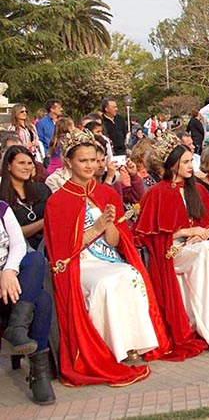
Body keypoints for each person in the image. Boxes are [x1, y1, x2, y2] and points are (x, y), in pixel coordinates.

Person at [44, 128, 169, 386]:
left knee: (130, 273)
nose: (90, 165)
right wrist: (97, 226)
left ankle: (133, 343)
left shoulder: (106, 193)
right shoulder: (57, 201)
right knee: (107, 283)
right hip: (80, 264)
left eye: (93, 160)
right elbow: (64, 251)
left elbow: (115, 242)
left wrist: (109, 225)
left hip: (107, 258)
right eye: (83, 160)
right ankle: (109, 348)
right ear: (69, 162)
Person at [135, 138, 209, 355]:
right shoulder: (157, 193)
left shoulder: (199, 190)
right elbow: (148, 235)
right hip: (171, 251)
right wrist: (187, 232)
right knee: (208, 252)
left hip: (198, 249)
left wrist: (205, 232)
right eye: (185, 162)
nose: (190, 166)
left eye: (190, 161)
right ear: (172, 164)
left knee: (208, 250)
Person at [0, 197, 55, 404]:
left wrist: (9, 271)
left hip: (11, 283)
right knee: (41, 299)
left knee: (35, 260)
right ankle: (38, 373)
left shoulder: (2, 209)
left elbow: (17, 244)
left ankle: (17, 327)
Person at [0, 146, 53, 250]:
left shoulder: (42, 189)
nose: (27, 167)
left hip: (49, 246)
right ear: (9, 166)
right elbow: (11, 233)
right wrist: (44, 222)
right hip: (17, 251)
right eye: (21, 163)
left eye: (30, 163)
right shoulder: (2, 197)